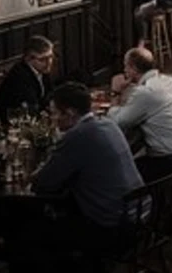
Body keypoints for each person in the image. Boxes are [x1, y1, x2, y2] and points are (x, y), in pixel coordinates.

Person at [30, 82, 144, 238]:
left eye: (54, 113)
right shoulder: (108, 124)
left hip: (115, 224)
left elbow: (42, 184)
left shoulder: (78, 136)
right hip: (140, 212)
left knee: (37, 226)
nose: (52, 119)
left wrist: (38, 171)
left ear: (70, 113)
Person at [108, 47, 172, 182]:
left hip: (170, 162)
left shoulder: (146, 92)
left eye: (125, 66)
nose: (124, 70)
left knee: (117, 174)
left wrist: (115, 92)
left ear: (133, 68)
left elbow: (116, 123)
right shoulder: (168, 81)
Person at [0, 35, 55, 123]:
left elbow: (50, 95)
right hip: (10, 124)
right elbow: (30, 107)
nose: (49, 62)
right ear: (28, 59)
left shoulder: (43, 69)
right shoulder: (19, 77)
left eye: (51, 57)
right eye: (43, 59)